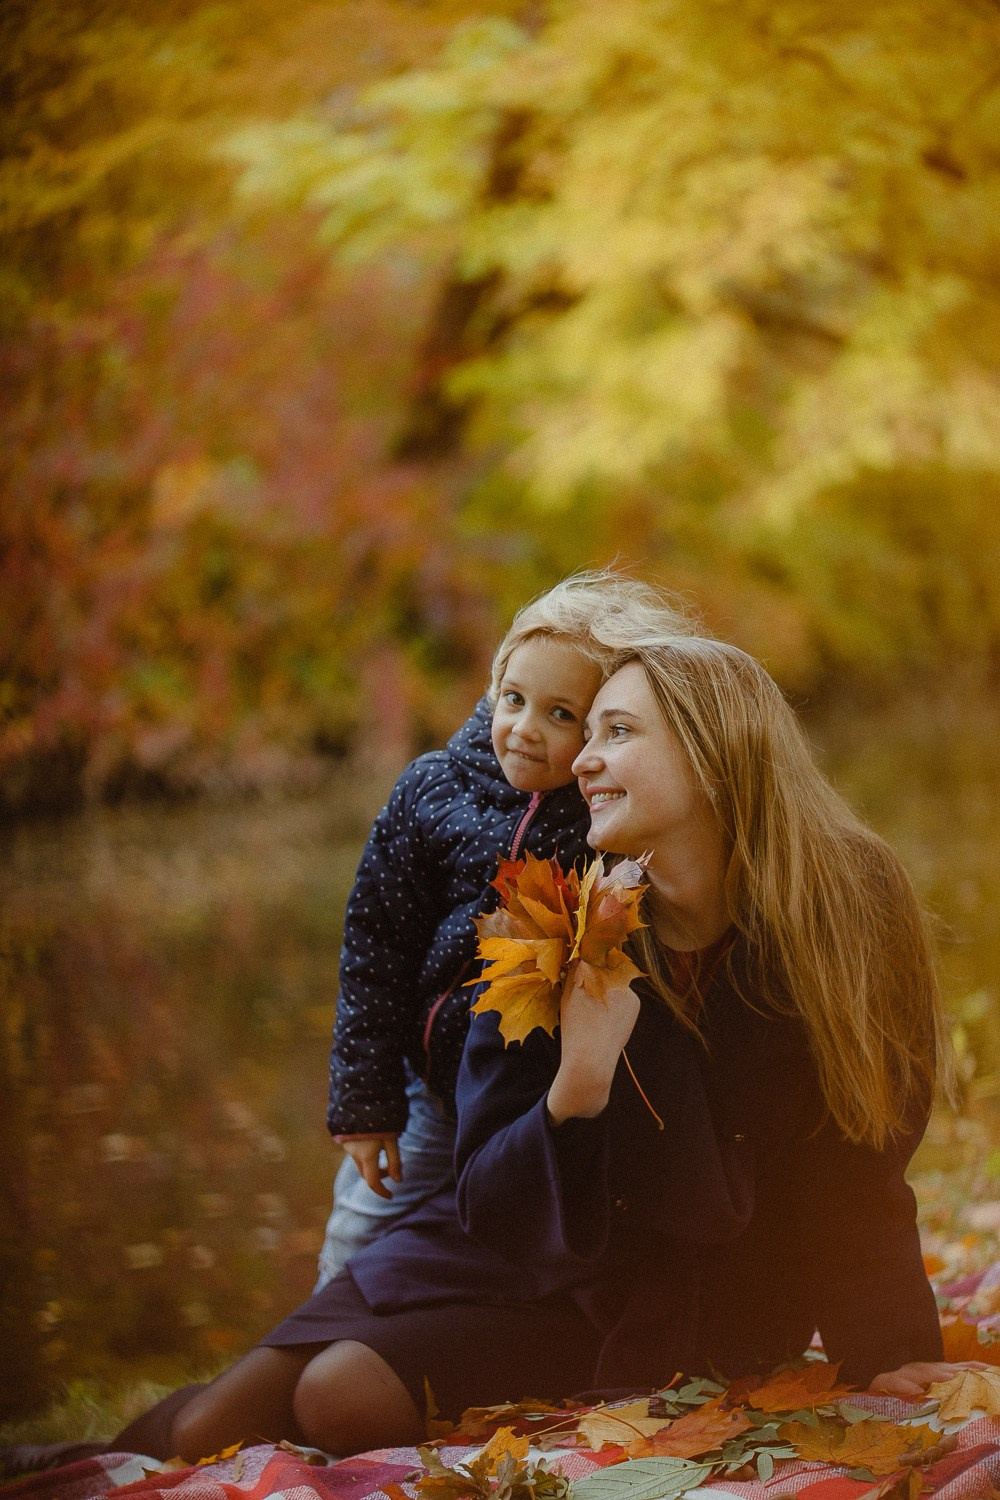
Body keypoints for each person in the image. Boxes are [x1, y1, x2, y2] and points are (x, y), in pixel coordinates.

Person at [107, 635, 969, 1468]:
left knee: (340, 1395)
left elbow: (863, 1152)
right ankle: (77, 1463)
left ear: (717, 751)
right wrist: (578, 1084)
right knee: (210, 1425)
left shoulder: (847, 903)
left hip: (683, 1293)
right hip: (509, 1234)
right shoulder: (553, 924)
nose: (583, 761)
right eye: (584, 733)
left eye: (617, 732)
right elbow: (487, 1189)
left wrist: (886, 1350)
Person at [317, 571, 696, 1284]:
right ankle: (306, 1344)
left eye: (561, 716)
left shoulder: (601, 821)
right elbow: (374, 949)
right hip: (428, 1093)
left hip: (522, 1098)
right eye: (513, 699)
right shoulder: (431, 790)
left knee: (488, 1248)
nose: (524, 729)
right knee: (362, 1234)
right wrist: (367, 1105)